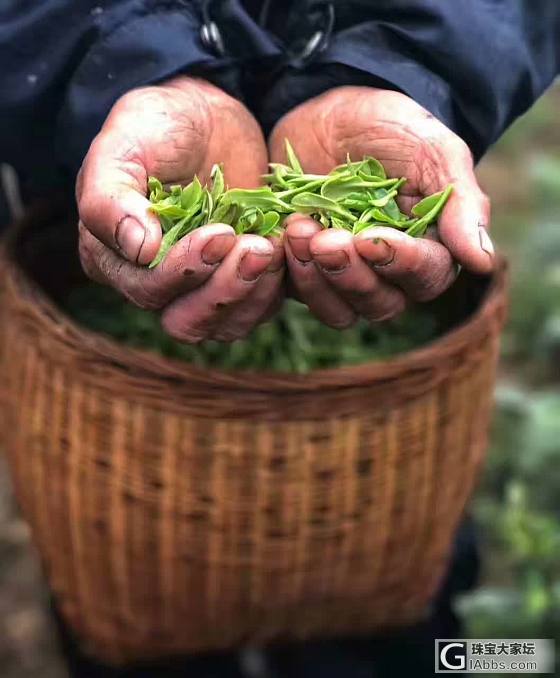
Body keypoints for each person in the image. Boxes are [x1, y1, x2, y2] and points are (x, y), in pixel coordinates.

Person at [1, 1, 560, 676]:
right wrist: (108, 61)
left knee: (382, 577)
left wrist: (414, 66)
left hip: (378, 103)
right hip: (101, 148)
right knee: (142, 574)